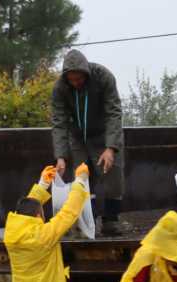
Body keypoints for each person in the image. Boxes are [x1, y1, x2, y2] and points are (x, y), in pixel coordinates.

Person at [51, 49, 126, 236]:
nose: (76, 83)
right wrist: (60, 156)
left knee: (113, 174)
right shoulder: (60, 88)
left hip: (104, 136)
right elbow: (59, 123)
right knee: (82, 178)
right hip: (78, 138)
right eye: (72, 80)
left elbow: (113, 112)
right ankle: (87, 223)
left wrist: (111, 147)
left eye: (79, 79)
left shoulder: (103, 77)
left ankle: (111, 221)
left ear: (86, 73)